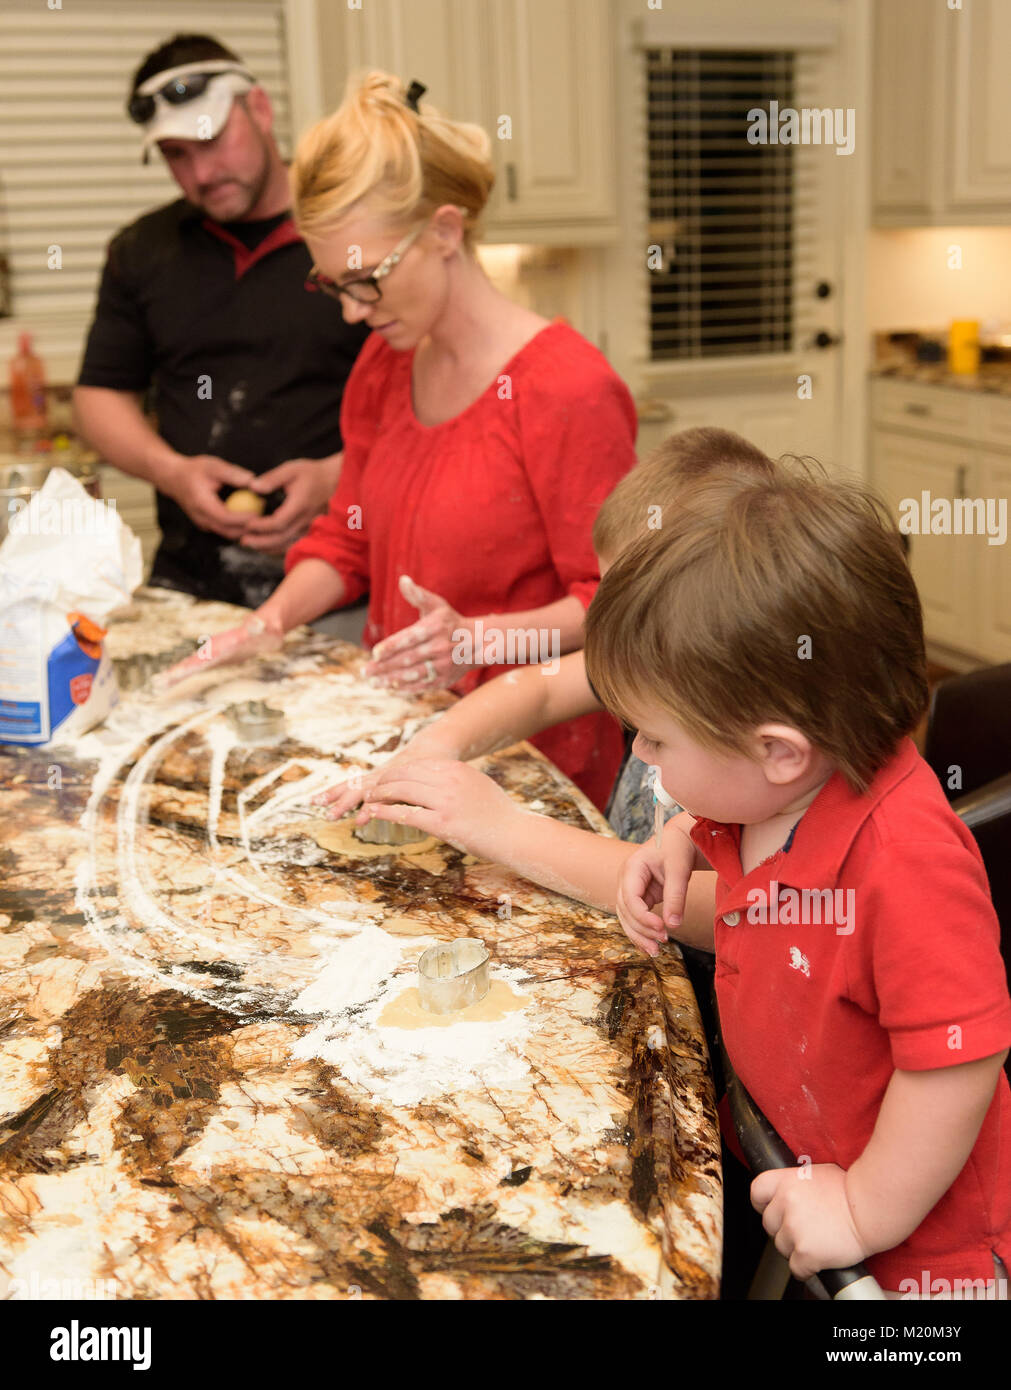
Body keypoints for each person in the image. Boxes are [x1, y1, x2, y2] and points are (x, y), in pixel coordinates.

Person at [585, 463, 1011, 1297]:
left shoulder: (906, 863)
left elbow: (959, 1064)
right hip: (797, 1156)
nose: (638, 754)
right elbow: (755, 827)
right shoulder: (784, 784)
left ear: (778, 750)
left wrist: (862, 1210)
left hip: (928, 1250)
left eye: (657, 741)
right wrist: (683, 833)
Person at [165, 71, 638, 812]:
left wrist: (479, 641)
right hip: (403, 737)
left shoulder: (565, 389)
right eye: (332, 287)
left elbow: (619, 608)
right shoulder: (385, 366)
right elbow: (346, 542)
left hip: (534, 773)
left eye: (366, 280)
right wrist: (268, 624)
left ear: (445, 231)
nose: (353, 313)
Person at [320, 428, 775, 915]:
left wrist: (504, 829)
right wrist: (430, 752)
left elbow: (721, 909)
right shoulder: (655, 653)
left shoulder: (755, 708)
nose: (605, 617)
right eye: (605, 590)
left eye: (633, 600)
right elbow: (539, 691)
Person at [73, 33, 369, 608]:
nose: (201, 173)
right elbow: (99, 398)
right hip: (193, 586)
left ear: (259, 108)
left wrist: (342, 474)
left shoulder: (351, 228)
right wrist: (172, 472)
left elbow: (437, 395)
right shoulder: (141, 251)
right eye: (176, 155)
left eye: (211, 140)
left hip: (351, 580)